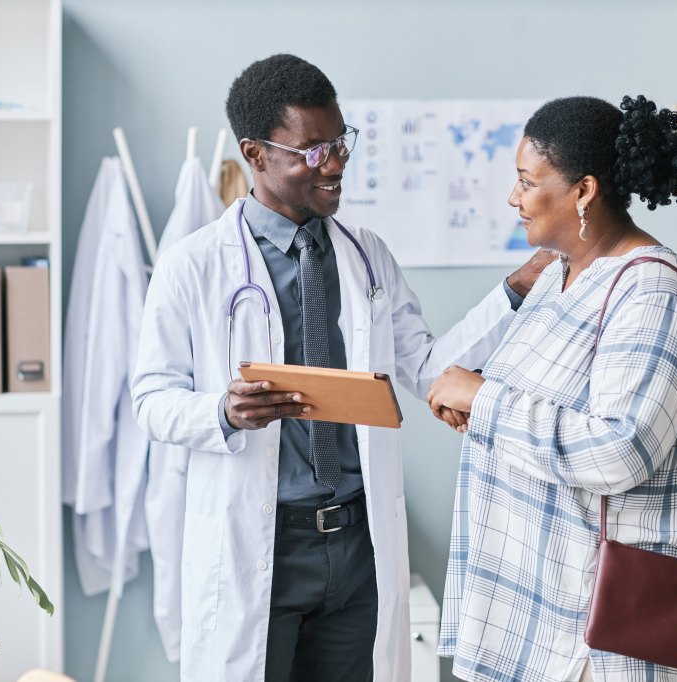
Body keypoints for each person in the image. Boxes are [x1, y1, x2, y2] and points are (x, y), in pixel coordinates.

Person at [130, 54, 551, 682]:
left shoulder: (366, 255)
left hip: (357, 546)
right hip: (261, 543)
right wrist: (221, 410)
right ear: (256, 153)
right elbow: (151, 399)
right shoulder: (193, 265)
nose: (336, 162)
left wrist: (517, 288)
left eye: (340, 141)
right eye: (313, 150)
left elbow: (427, 365)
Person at [426, 95, 677, 681]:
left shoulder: (651, 291)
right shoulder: (558, 273)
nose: (513, 197)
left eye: (526, 181)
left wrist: (483, 401)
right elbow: (500, 391)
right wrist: (477, 405)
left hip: (594, 638)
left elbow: (621, 448)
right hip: (531, 615)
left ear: (583, 191)